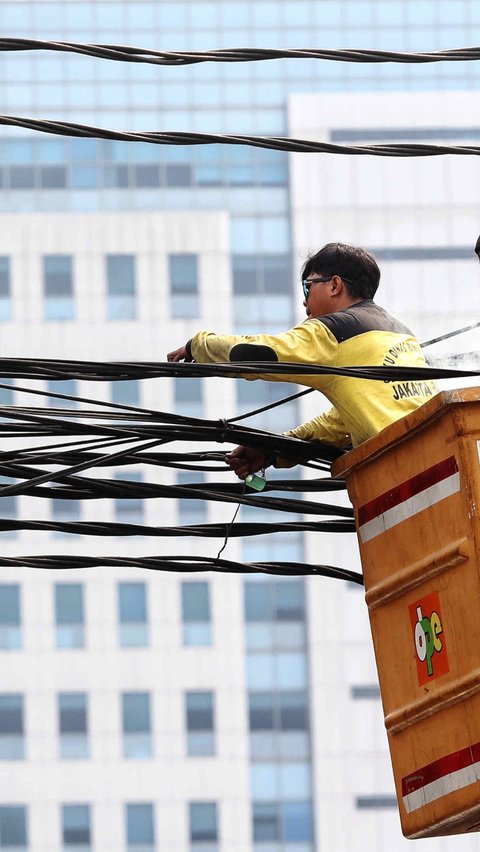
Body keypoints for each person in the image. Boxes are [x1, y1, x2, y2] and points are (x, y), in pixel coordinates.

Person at [167, 242, 436, 479]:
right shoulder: (401, 333)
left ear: (334, 285)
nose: (305, 304)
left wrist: (198, 345)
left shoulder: (333, 331)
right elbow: (341, 425)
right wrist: (274, 450)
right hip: (442, 455)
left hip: (401, 471)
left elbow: (261, 354)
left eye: (308, 287)